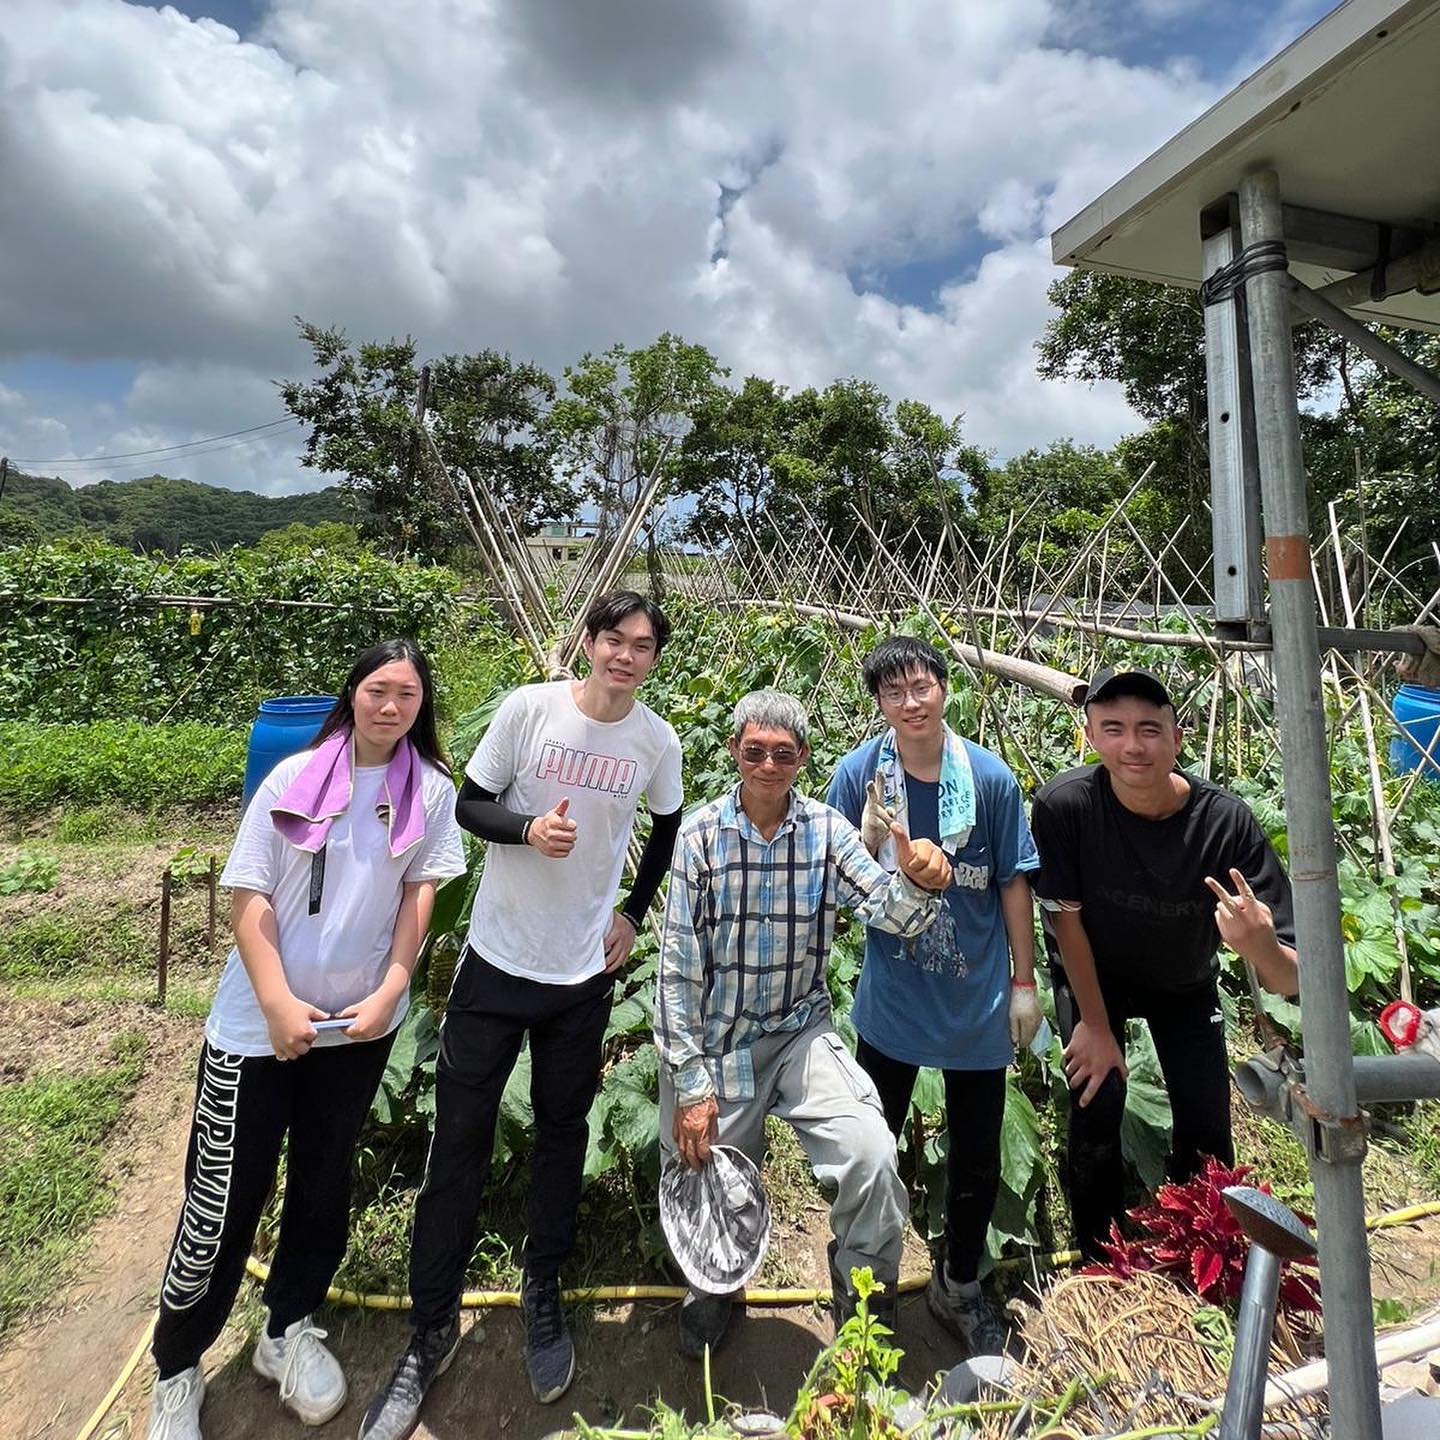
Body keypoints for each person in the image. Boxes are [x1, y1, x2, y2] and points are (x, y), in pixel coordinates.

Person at [360, 591, 683, 1438]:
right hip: (496, 965)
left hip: (581, 976)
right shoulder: (531, 709)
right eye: (614, 639)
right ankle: (430, 1327)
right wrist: (526, 829)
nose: (625, 656)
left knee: (560, 1133)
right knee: (459, 1135)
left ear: (654, 660)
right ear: (588, 641)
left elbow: (670, 824)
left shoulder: (655, 741)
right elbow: (470, 804)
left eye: (642, 646)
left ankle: (544, 1293)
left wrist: (632, 915)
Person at [146, 640, 467, 1440]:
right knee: (222, 1203)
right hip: (258, 1029)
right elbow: (249, 897)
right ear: (352, 693)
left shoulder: (428, 790)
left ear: (423, 706)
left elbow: (417, 904)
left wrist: (391, 993)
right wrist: (279, 1003)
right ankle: (177, 1367)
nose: (391, 707)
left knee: (323, 1187)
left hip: (356, 1030)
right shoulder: (294, 778)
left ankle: (286, 1330)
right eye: (377, 690)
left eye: (408, 694)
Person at [655, 689, 954, 1359]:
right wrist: (691, 1081)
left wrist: (922, 882)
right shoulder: (700, 835)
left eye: (782, 754)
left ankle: (862, 1293)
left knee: (872, 1155)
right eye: (754, 751)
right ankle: (714, 1289)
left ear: (802, 760)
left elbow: (890, 912)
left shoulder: (825, 832)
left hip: (798, 1033)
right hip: (718, 1038)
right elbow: (675, 971)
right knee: (703, 1170)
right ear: (734, 752)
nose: (767, 766)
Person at [1029, 665, 1299, 1261]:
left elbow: (1292, 978)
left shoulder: (1225, 823)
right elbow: (1063, 920)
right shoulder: (1064, 806)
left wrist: (1258, 947)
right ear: (1092, 737)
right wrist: (1095, 1027)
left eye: (1150, 729)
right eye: (1114, 728)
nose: (1133, 746)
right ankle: (1101, 1261)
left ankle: (1200, 1249)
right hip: (1093, 973)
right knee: (1095, 1108)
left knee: (1207, 1129)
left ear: (1177, 739)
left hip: (1182, 981)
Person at [826, 636, 1040, 1355]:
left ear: (945, 689)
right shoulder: (860, 776)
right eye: (894, 693)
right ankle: (864, 1287)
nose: (910, 703)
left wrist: (1023, 982)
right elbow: (830, 867)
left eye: (921, 687)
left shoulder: (988, 778)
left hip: (977, 1003)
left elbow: (1013, 879)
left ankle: (959, 1285)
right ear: (879, 704)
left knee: (978, 1157)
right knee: (872, 1151)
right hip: (893, 1002)